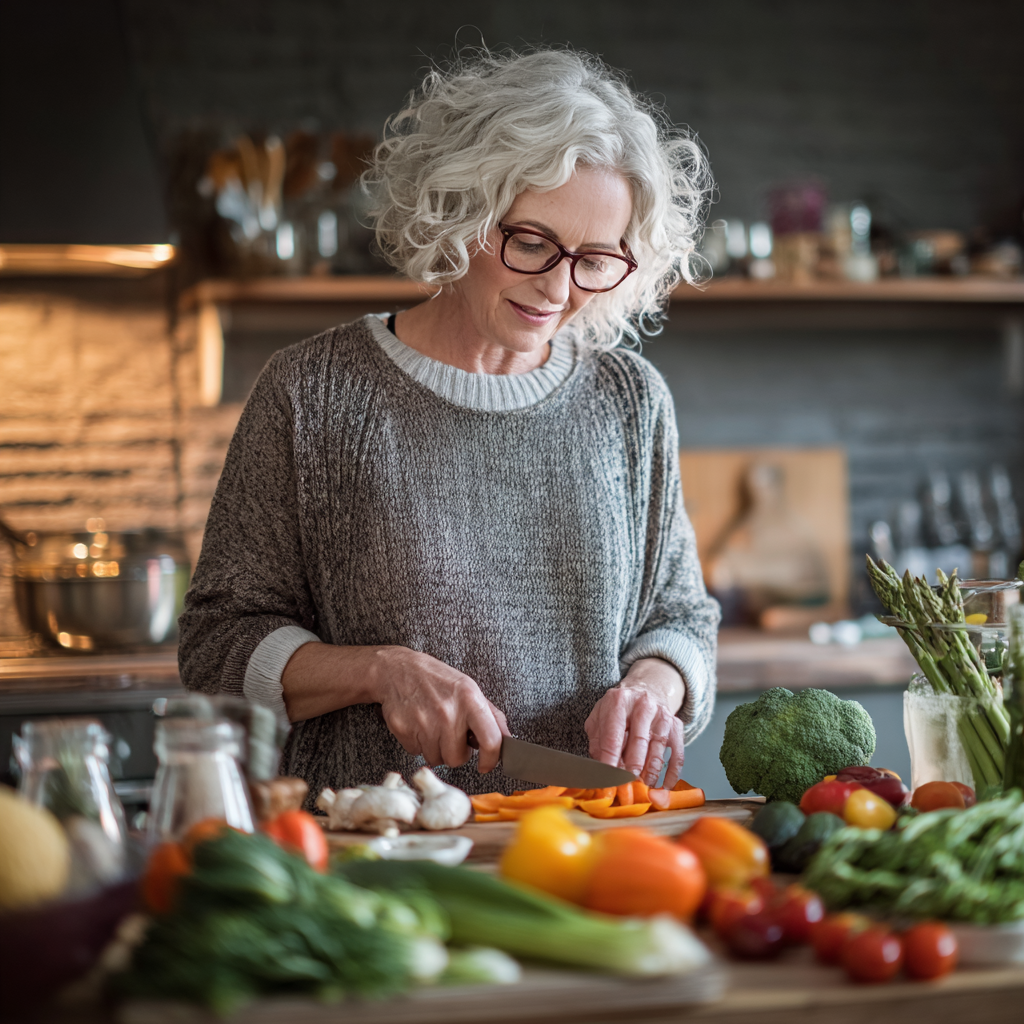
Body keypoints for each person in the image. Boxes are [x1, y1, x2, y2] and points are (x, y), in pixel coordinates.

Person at [179, 48, 721, 799]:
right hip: (376, 849)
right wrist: (378, 672)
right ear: (462, 210)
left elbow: (681, 616)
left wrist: (653, 690)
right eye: (530, 243)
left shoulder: (630, 400)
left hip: (589, 842)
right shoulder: (315, 393)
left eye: (597, 259)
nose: (559, 288)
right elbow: (216, 644)